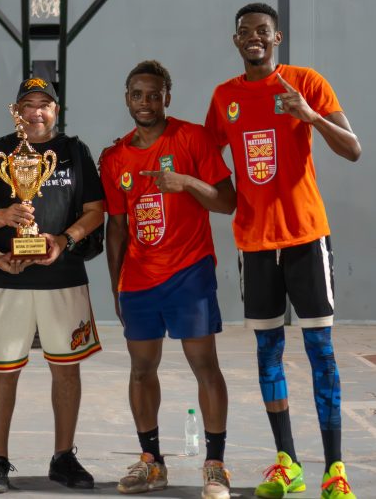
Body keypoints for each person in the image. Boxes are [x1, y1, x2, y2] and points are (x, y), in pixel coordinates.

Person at [204, 3, 362, 499]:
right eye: (245, 32)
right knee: (267, 352)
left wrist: (309, 116)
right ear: (236, 41)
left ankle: (334, 469)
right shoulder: (224, 97)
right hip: (255, 243)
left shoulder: (305, 82)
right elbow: (209, 159)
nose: (254, 38)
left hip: (305, 238)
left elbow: (353, 148)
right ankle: (287, 462)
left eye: (263, 31)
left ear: (277, 38)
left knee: (321, 352)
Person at [100, 60, 236, 498]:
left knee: (204, 366)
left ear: (167, 97)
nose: (146, 102)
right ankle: (151, 462)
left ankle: (214, 465)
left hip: (189, 271)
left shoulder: (192, 137)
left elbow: (227, 202)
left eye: (154, 94)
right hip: (139, 279)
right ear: (127, 98)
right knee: (141, 370)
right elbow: (116, 227)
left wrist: (186, 182)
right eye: (138, 95)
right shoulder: (115, 156)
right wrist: (116, 285)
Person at [0, 77, 104, 494]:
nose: (36, 112)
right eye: (27, 104)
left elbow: (96, 210)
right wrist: (4, 217)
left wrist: (64, 240)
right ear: (16, 111)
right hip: (5, 277)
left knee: (66, 371)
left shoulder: (74, 152)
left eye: (44, 104)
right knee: (3, 374)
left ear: (56, 110)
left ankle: (63, 457)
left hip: (62, 278)